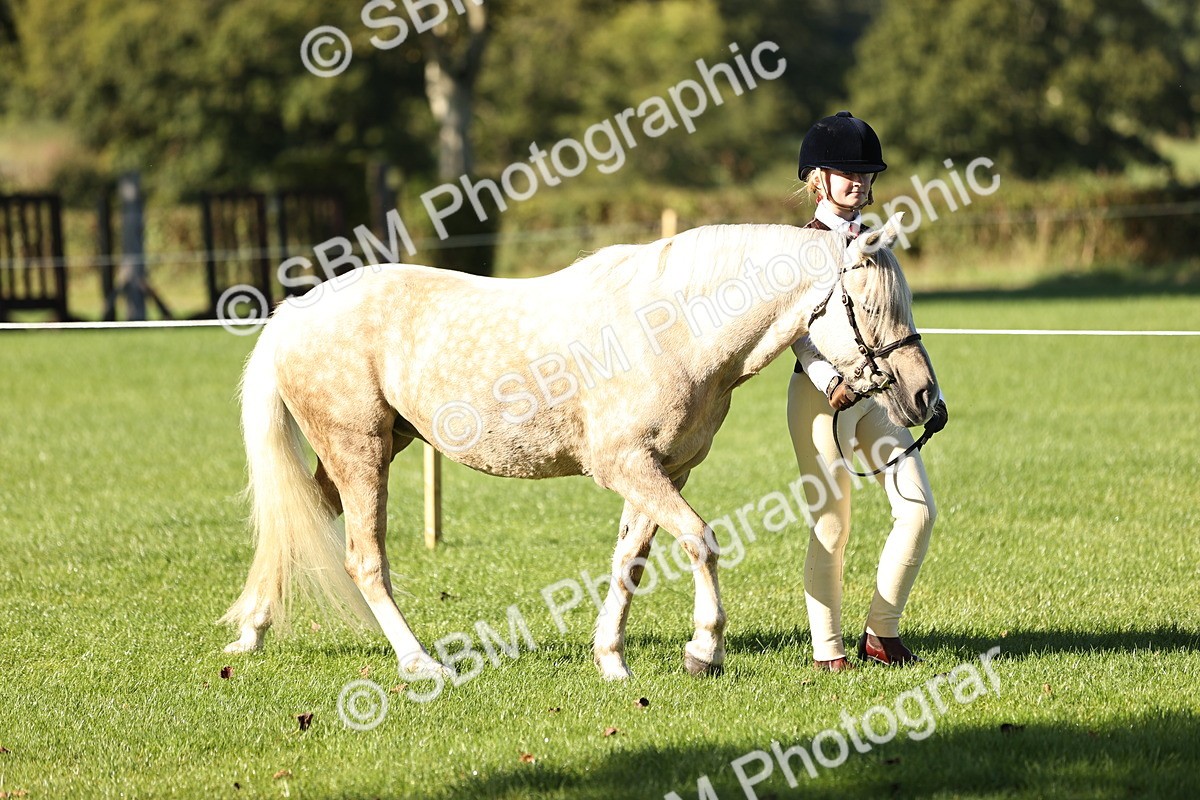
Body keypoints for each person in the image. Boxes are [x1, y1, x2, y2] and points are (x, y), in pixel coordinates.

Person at [787, 111, 946, 671]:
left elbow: (901, 328)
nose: (857, 183)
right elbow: (797, 334)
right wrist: (829, 379)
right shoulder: (800, 248)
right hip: (819, 399)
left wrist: (930, 391)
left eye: (865, 173)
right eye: (843, 172)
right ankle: (826, 650)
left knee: (919, 510)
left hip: (879, 397)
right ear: (817, 179)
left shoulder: (878, 245)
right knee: (832, 523)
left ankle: (882, 632)